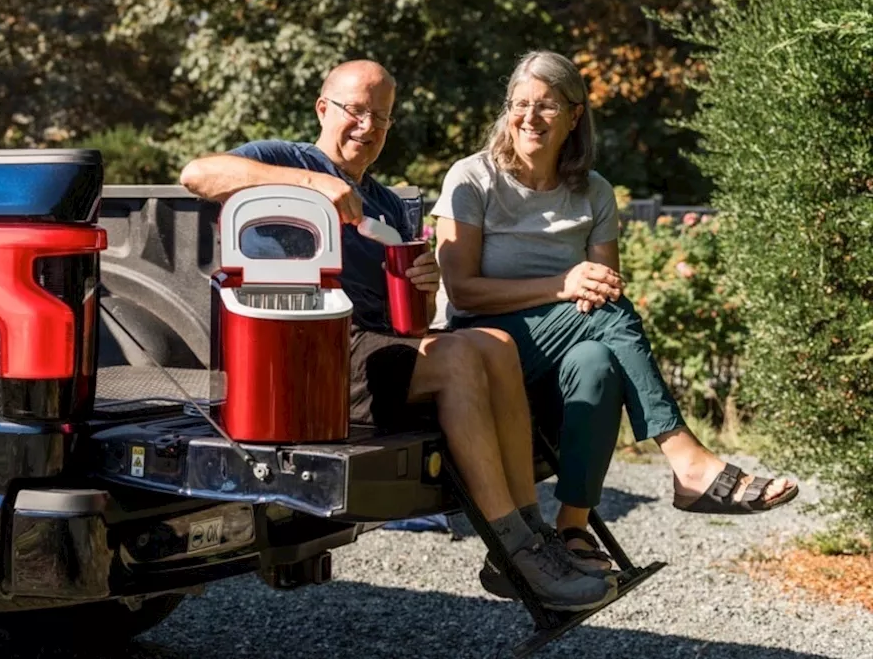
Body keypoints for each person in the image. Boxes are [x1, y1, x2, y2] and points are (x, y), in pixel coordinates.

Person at [181, 59, 615, 611]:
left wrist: (425, 285)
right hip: (306, 350)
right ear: (323, 108)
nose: (367, 127)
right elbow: (197, 174)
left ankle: (531, 536)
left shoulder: (386, 203)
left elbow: (410, 322)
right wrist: (314, 185)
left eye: (381, 118)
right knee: (460, 359)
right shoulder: (283, 158)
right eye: (355, 111)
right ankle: (515, 551)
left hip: (375, 351)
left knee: (496, 345)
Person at [432, 50, 799, 572]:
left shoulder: (594, 190)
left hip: (558, 350)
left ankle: (572, 527)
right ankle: (686, 458)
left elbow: (605, 289)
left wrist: (576, 289)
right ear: (507, 109)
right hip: (483, 343)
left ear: (575, 114)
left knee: (597, 362)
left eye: (547, 106)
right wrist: (562, 284)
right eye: (520, 104)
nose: (530, 118)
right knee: (605, 313)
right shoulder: (473, 178)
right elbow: (462, 291)